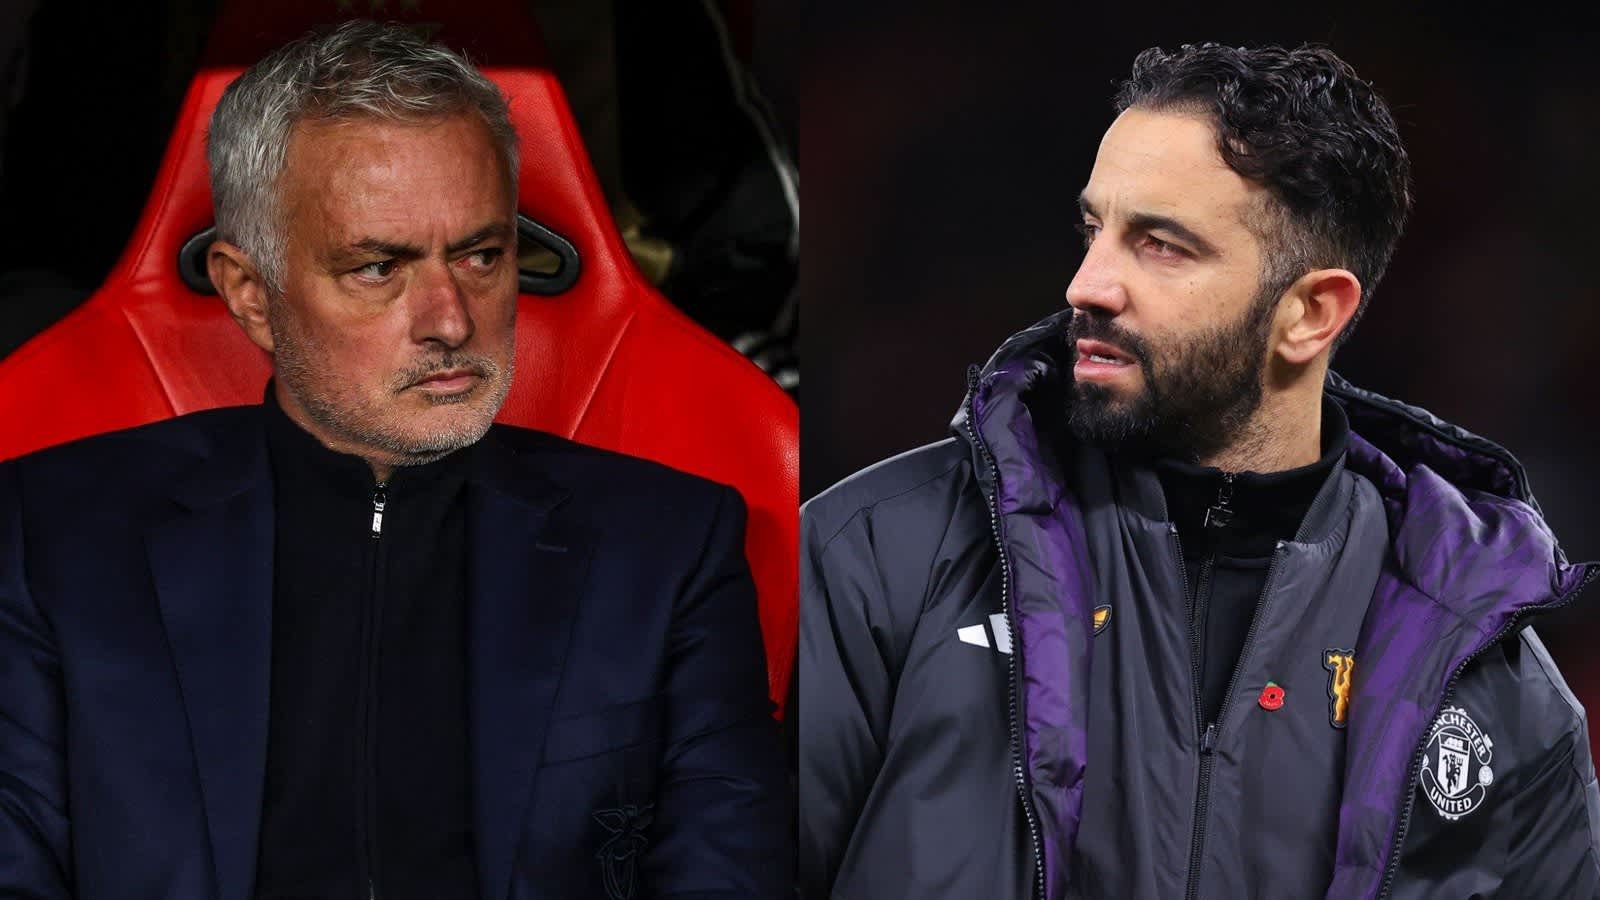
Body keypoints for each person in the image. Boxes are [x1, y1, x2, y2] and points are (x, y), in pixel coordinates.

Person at [0, 21, 788, 899]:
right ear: (250, 294)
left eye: (483, 255)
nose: (451, 320)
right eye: (379, 268)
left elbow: (729, 870)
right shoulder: (54, 537)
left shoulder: (670, 546)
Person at [799, 42, 1600, 899]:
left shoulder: (1485, 669)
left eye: (1161, 245)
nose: (1087, 284)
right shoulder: (876, 558)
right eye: (1093, 229)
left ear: (1310, 313)